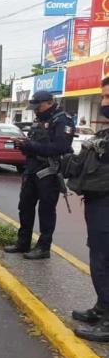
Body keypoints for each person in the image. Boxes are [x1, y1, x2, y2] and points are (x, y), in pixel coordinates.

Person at [5, 91, 75, 260]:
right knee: (25, 207)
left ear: (50, 103)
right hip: (31, 169)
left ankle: (44, 247)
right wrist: (24, 146)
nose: (36, 110)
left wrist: (32, 146)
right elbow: (35, 144)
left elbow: (60, 147)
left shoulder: (62, 120)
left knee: (46, 211)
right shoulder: (41, 120)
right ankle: (23, 242)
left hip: (48, 173)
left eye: (39, 106)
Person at [72, 78, 109, 342]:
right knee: (98, 258)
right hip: (99, 204)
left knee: (105, 262)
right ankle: (102, 307)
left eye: (108, 97)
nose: (104, 103)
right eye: (103, 97)